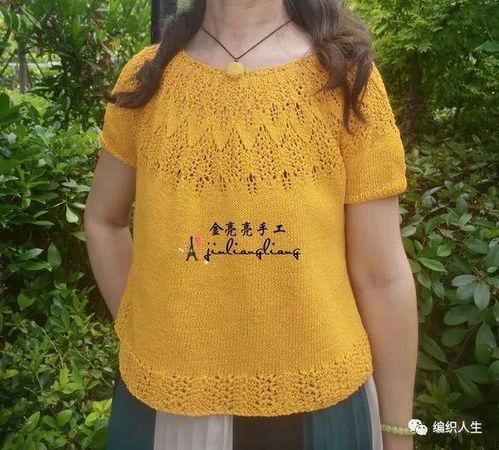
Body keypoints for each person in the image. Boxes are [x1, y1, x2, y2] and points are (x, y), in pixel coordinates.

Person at [84, 0, 418, 449]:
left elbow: (382, 277)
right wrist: (146, 326)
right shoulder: (148, 77)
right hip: (164, 407)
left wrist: (399, 433)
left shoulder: (344, 77)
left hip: (323, 408)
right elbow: (104, 220)